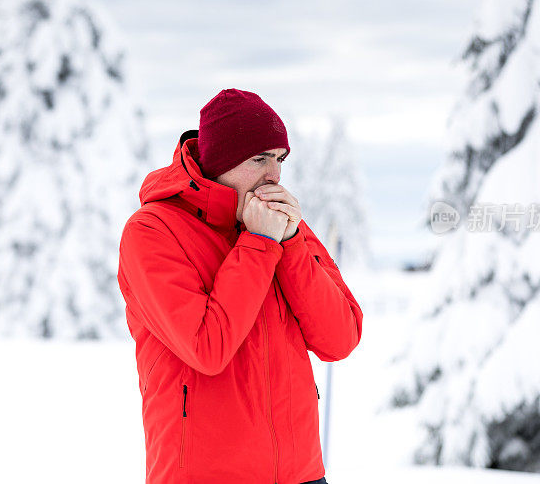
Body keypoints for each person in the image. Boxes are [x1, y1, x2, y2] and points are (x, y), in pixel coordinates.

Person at [117, 88, 363, 484]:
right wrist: (259, 245)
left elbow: (341, 338)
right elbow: (206, 347)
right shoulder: (152, 231)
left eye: (279, 159)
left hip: (302, 474)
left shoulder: (285, 227)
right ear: (219, 162)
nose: (275, 175)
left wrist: (291, 243)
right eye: (259, 159)